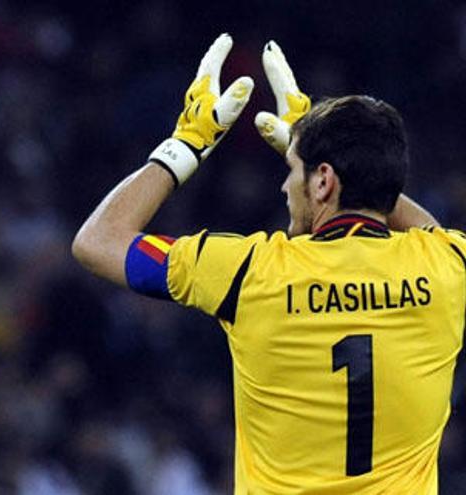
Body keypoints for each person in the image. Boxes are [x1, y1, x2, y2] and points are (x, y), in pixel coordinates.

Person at [72, 34, 461, 494]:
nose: (283, 186)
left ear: (322, 183)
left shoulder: (247, 271)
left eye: (291, 168)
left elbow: (97, 242)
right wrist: (332, 160)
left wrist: (186, 145)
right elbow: (428, 232)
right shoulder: (447, 269)